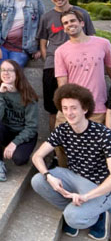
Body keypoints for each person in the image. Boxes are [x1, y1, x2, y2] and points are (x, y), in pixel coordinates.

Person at [31, 84, 111, 240]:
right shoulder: (63, 130)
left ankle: (99, 214)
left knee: (72, 217)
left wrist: (87, 197)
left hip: (99, 186)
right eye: (65, 108)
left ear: (85, 109)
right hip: (74, 177)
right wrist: (49, 176)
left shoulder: (103, 134)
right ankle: (78, 206)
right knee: (38, 180)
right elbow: (37, 156)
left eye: (74, 108)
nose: (69, 113)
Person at [54, 8, 111, 167]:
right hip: (70, 109)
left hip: (97, 109)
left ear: (81, 23)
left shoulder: (103, 44)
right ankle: (65, 175)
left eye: (72, 21)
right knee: (60, 145)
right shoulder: (61, 51)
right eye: (65, 23)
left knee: (98, 151)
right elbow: (62, 84)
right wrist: (64, 109)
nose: (69, 25)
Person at [37, 0, 95, 132]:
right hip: (53, 66)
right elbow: (43, 43)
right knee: (53, 109)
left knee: (82, 106)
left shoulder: (82, 14)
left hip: (79, 65)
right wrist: (48, 60)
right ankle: (57, 149)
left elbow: (91, 39)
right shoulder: (46, 17)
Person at [0, 60, 38, 182]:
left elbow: (32, 127)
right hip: (5, 131)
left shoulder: (28, 94)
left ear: (18, 73)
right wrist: (0, 94)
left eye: (10, 70)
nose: (6, 73)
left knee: (19, 160)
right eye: (3, 70)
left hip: (24, 134)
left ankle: (15, 148)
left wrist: (14, 143)